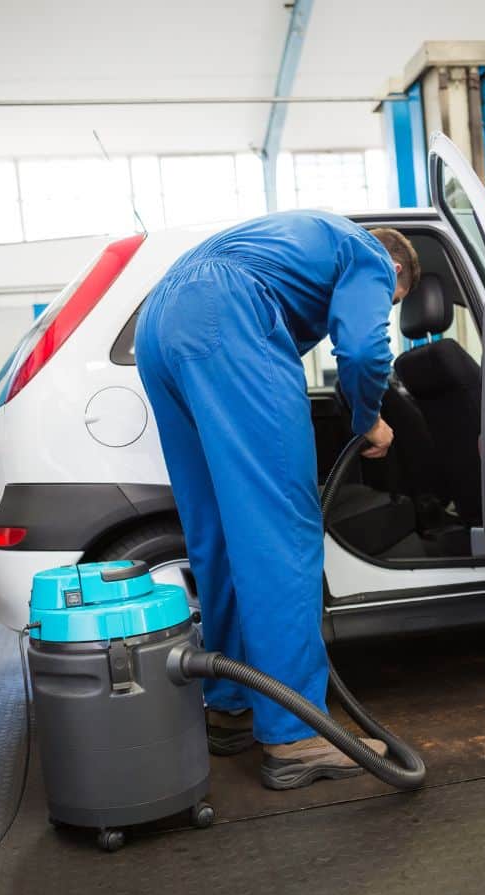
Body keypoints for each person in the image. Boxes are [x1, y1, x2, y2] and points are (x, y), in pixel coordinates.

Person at [135, 210, 421, 790]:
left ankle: (232, 704)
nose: (382, 308)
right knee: (279, 530)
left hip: (157, 323)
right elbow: (364, 352)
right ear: (394, 269)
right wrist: (368, 418)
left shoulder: (291, 240)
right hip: (228, 312)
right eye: (391, 300)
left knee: (218, 531)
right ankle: (295, 737)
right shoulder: (367, 253)